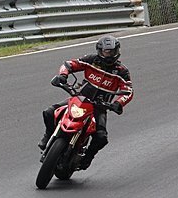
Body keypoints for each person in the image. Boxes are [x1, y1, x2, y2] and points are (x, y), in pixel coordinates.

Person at [38, 35, 133, 170]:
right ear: (99, 51)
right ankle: (48, 135)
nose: (109, 54)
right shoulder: (91, 60)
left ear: (117, 51)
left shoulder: (122, 71)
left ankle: (88, 157)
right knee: (49, 112)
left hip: (99, 107)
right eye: (106, 51)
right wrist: (62, 76)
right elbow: (69, 64)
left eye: (112, 51)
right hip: (79, 99)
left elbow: (128, 90)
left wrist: (118, 103)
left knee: (101, 137)